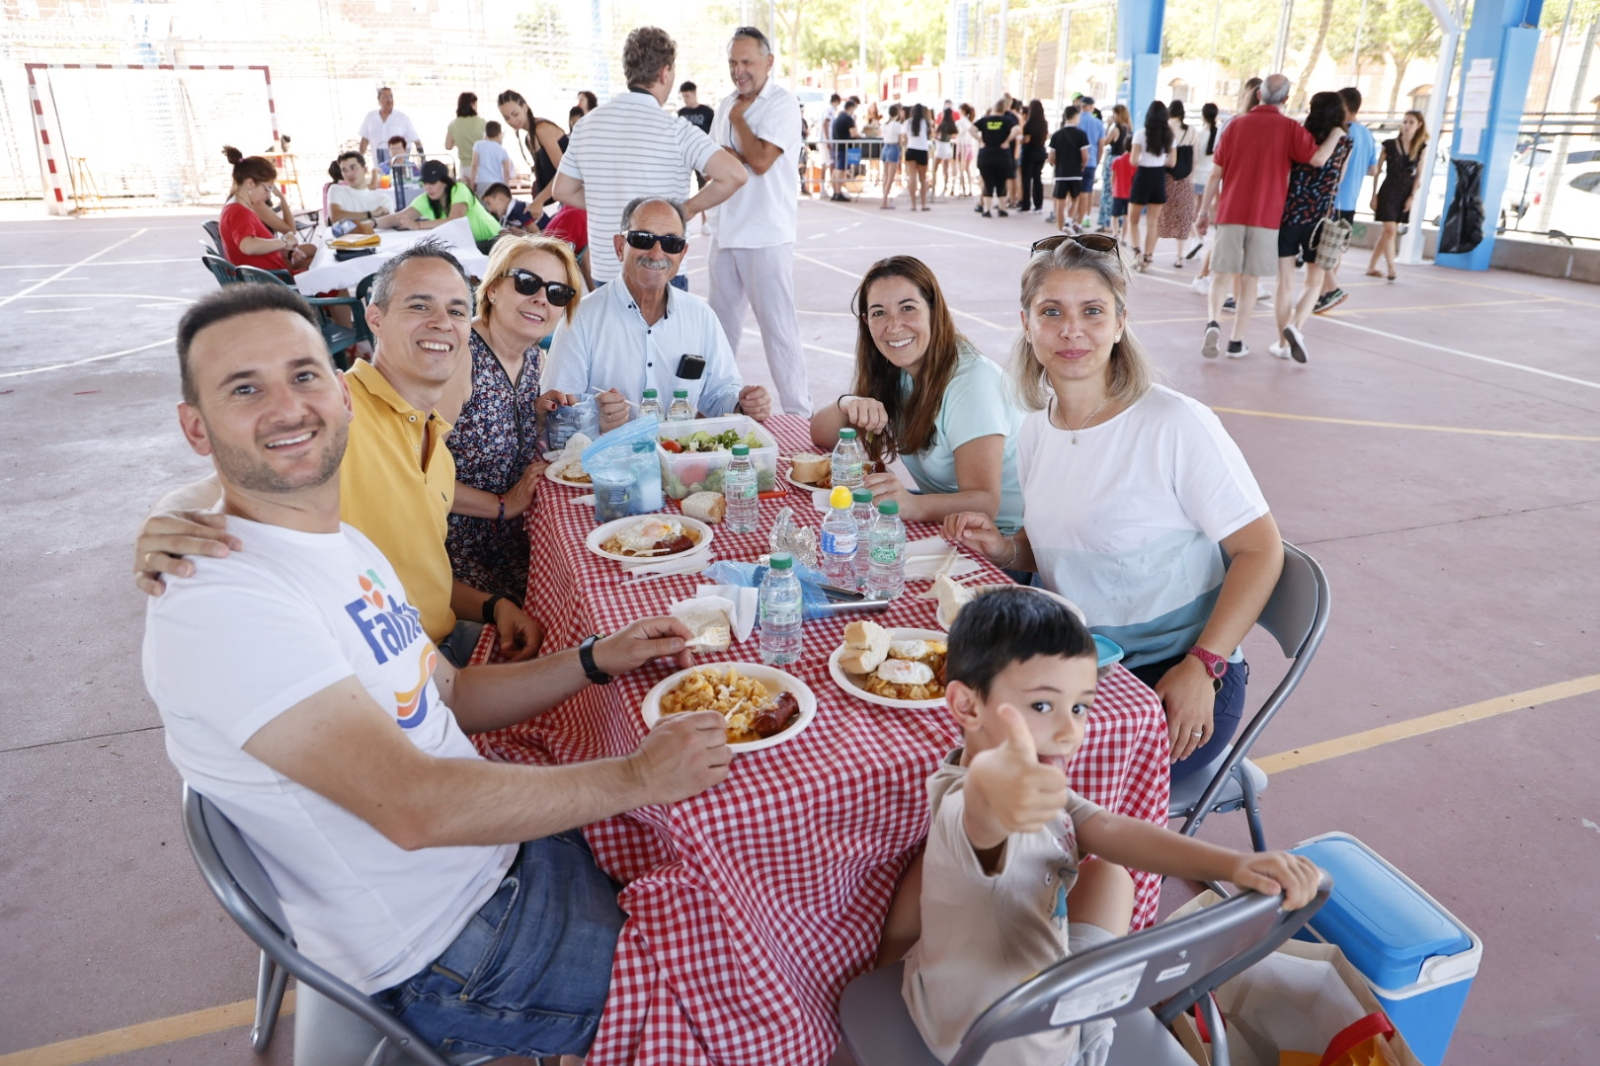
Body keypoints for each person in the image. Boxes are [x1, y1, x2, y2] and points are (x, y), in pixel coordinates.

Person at [143, 280, 734, 1058]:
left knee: (727, 885)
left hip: (496, 857)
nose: (288, 407)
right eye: (245, 388)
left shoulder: (339, 544)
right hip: (450, 947)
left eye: (304, 374)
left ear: (343, 390)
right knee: (734, 995)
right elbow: (413, 806)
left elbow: (447, 693)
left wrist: (594, 659)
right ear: (196, 426)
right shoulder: (222, 602)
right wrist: (634, 777)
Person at [881, 588, 1322, 1065]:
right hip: (1024, 1045)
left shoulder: (975, 782)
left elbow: (1107, 827)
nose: (1071, 732)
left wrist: (1236, 863)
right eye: (1044, 707)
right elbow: (983, 819)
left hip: (955, 1010)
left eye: (1080, 707)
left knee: (1109, 873)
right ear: (967, 707)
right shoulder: (981, 802)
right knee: (1108, 879)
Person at [945, 235, 1287, 785]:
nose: (1071, 330)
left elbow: (1260, 550)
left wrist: (1204, 665)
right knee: (958, 738)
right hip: (1078, 667)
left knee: (1015, 779)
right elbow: (1052, 543)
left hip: (1176, 675)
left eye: (1093, 311)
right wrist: (1006, 548)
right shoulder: (1037, 429)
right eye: (1051, 311)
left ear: (1121, 322)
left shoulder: (1174, 424)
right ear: (1027, 325)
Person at [135, 243, 547, 667]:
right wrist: (167, 517)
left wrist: (494, 606)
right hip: (391, 669)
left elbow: (419, 578)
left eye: (457, 311)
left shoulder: (434, 436)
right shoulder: (343, 414)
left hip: (438, 637)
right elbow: (225, 486)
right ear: (375, 319)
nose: (442, 322)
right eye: (420, 306)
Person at [809, 255, 1025, 534]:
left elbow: (984, 503)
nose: (894, 325)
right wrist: (847, 403)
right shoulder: (896, 370)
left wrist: (909, 504)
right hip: (946, 524)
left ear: (934, 311)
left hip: (1000, 542)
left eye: (908, 308)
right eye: (879, 313)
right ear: (866, 322)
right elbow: (819, 435)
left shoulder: (972, 383)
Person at [436, 236, 582, 601]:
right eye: (527, 282)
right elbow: (413, 474)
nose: (541, 299)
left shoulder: (535, 360)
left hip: (512, 538)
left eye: (557, 293)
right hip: (452, 548)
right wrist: (504, 504)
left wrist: (537, 414)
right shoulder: (459, 357)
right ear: (494, 289)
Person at [546, 197, 770, 433]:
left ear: (682, 254)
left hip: (680, 462)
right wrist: (593, 418)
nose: (656, 253)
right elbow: (554, 411)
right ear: (620, 247)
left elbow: (719, 396)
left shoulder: (701, 317)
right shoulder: (581, 318)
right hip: (602, 464)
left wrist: (745, 405)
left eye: (671, 243)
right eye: (643, 239)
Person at [552, 26, 748, 287]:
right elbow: (735, 174)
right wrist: (686, 210)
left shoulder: (586, 125)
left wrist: (608, 203)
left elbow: (562, 189)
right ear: (664, 72)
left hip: (607, 269)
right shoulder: (677, 130)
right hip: (662, 269)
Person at [1196, 74, 1342, 359]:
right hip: (1267, 217)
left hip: (1230, 212)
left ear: (1259, 95)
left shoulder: (1234, 125)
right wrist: (1337, 133)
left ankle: (1213, 321)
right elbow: (1317, 159)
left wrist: (1203, 212)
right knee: (1250, 281)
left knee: (1221, 275)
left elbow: (1216, 172)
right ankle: (1236, 342)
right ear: (1286, 100)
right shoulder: (1290, 128)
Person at [708, 26, 812, 418]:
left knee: (779, 331)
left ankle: (799, 414)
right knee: (718, 332)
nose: (739, 70)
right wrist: (738, 147)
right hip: (725, 231)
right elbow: (715, 160)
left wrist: (739, 123)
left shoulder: (782, 104)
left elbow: (762, 160)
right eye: (733, 62)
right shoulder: (723, 104)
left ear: (769, 62)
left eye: (747, 62)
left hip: (767, 233)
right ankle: (716, 409)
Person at [1271, 92, 1352, 364]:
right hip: (1320, 222)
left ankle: (1283, 343)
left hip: (1289, 217)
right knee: (1314, 282)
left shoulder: (1297, 135)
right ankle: (1296, 326)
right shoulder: (1344, 142)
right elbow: (1337, 180)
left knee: (1284, 284)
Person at [1315, 87, 1378, 313]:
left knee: (1320, 249)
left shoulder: (1341, 132)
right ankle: (1324, 294)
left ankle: (1329, 290)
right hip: (1351, 201)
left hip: (1332, 199)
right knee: (1336, 249)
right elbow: (1373, 169)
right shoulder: (1368, 135)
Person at [218, 147, 315, 274]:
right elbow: (248, 247)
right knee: (328, 274)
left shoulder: (236, 207)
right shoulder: (239, 211)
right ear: (250, 183)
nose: (269, 195)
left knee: (320, 262)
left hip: (268, 276)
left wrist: (288, 251)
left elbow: (259, 247)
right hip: (272, 282)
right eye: (267, 189)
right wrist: (284, 241)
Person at [378, 159, 503, 254]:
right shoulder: (427, 198)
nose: (428, 187)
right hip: (468, 245)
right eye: (425, 182)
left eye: (432, 182)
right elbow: (399, 217)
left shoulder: (459, 188)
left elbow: (455, 220)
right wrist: (371, 223)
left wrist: (417, 225)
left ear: (445, 181)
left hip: (494, 241)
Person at [1368, 110, 1427, 282]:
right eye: (1405, 122)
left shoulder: (1420, 148)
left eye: (1411, 122)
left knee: (1387, 232)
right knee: (1390, 230)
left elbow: (1418, 176)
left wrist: (1412, 196)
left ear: (1419, 125)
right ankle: (1391, 268)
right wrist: (1374, 195)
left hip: (1404, 193)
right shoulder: (1389, 145)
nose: (1407, 126)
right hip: (1388, 191)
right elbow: (1377, 171)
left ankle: (1371, 266)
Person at [496, 89, 569, 220]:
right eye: (506, 118)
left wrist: (539, 200)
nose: (512, 121)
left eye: (515, 114)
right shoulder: (528, 138)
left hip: (573, 196)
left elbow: (564, 171)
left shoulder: (541, 129)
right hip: (561, 198)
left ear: (525, 107)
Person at [1127, 101, 1172, 271]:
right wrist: (1159, 160)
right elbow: (1172, 161)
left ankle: (1136, 254)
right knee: (1153, 222)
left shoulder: (1140, 134)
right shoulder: (1169, 136)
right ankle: (1147, 257)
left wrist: (1145, 160)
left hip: (1143, 176)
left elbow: (1133, 160)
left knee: (1133, 219)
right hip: (1159, 176)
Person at [1158, 100, 1200, 268]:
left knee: (1160, 216)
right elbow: (1195, 158)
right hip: (1185, 178)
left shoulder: (1164, 129)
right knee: (1183, 216)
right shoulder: (1192, 131)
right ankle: (1180, 256)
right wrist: (1192, 177)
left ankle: (1146, 254)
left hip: (1166, 178)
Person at [1048, 105, 1090, 234]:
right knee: (1075, 198)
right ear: (1076, 116)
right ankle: (1069, 220)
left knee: (1060, 201)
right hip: (1075, 173)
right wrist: (1082, 165)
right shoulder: (1081, 134)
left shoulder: (1056, 135)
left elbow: (1051, 157)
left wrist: (1057, 165)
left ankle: (1060, 228)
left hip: (1061, 173)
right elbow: (1085, 155)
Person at [975, 100, 1020, 218]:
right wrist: (1007, 141)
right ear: (1004, 109)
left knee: (987, 182)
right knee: (1001, 182)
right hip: (1002, 155)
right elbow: (1017, 129)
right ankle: (1002, 208)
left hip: (985, 155)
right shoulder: (1007, 120)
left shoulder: (985, 120)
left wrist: (980, 141)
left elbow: (971, 129)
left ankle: (987, 209)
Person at [358, 86, 421, 168]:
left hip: (399, 164)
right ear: (379, 99)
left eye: (391, 96)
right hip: (378, 165)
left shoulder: (403, 118)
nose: (389, 100)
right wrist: (360, 161)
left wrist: (422, 159)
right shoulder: (370, 117)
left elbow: (416, 140)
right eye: (385, 97)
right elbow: (364, 140)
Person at [326, 151, 393, 228]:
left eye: (353, 168)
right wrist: (371, 214)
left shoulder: (383, 200)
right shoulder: (336, 190)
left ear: (364, 169)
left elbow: (391, 225)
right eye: (344, 170)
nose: (349, 173)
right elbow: (336, 217)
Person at [1096, 104, 1132, 231]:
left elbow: (1105, 141)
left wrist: (1108, 125)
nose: (1112, 116)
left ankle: (1107, 222)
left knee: (1109, 189)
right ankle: (1119, 222)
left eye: (1114, 114)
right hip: (1126, 160)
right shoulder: (1128, 128)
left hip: (1114, 160)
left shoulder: (1116, 128)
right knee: (1122, 190)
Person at [1074, 96, 1104, 230]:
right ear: (1092, 107)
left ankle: (1072, 217)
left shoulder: (1076, 120)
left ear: (1081, 106)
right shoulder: (1098, 123)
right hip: (1091, 161)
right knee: (1086, 192)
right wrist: (1098, 159)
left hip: (1076, 161)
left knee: (1073, 191)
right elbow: (1101, 144)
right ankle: (1081, 219)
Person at [444, 91, 487, 177]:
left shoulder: (453, 125)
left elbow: (448, 146)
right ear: (472, 104)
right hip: (482, 166)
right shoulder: (482, 123)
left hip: (464, 168)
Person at [468, 121, 514, 199]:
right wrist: (507, 189)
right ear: (499, 134)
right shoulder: (503, 151)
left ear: (486, 133)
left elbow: (474, 165)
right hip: (498, 184)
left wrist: (471, 184)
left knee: (483, 207)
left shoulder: (478, 145)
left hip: (482, 183)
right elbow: (507, 172)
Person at [1018, 99, 1050, 213]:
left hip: (1029, 152)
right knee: (1037, 178)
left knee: (1026, 179)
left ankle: (1026, 204)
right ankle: (1038, 204)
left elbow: (1026, 139)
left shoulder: (1029, 123)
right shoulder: (1044, 123)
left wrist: (1019, 140)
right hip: (1041, 151)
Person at [830, 97, 860, 202]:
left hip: (837, 146)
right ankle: (838, 192)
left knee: (836, 169)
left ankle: (836, 191)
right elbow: (854, 133)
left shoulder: (840, 116)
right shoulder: (848, 118)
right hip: (843, 147)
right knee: (840, 169)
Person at [903, 103, 932, 212]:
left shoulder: (908, 122)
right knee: (923, 179)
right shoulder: (925, 122)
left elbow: (905, 136)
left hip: (911, 149)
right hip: (922, 150)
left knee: (912, 177)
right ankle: (923, 204)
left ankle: (913, 204)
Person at [879, 104, 905, 209]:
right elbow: (899, 139)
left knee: (885, 176)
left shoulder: (885, 124)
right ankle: (884, 200)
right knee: (890, 177)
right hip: (893, 148)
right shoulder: (897, 125)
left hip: (885, 147)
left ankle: (884, 199)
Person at [385, 135, 415, 211]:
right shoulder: (383, 167)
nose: (395, 151)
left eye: (398, 148)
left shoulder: (412, 166)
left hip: (410, 196)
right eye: (392, 148)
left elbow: (418, 181)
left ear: (404, 149)